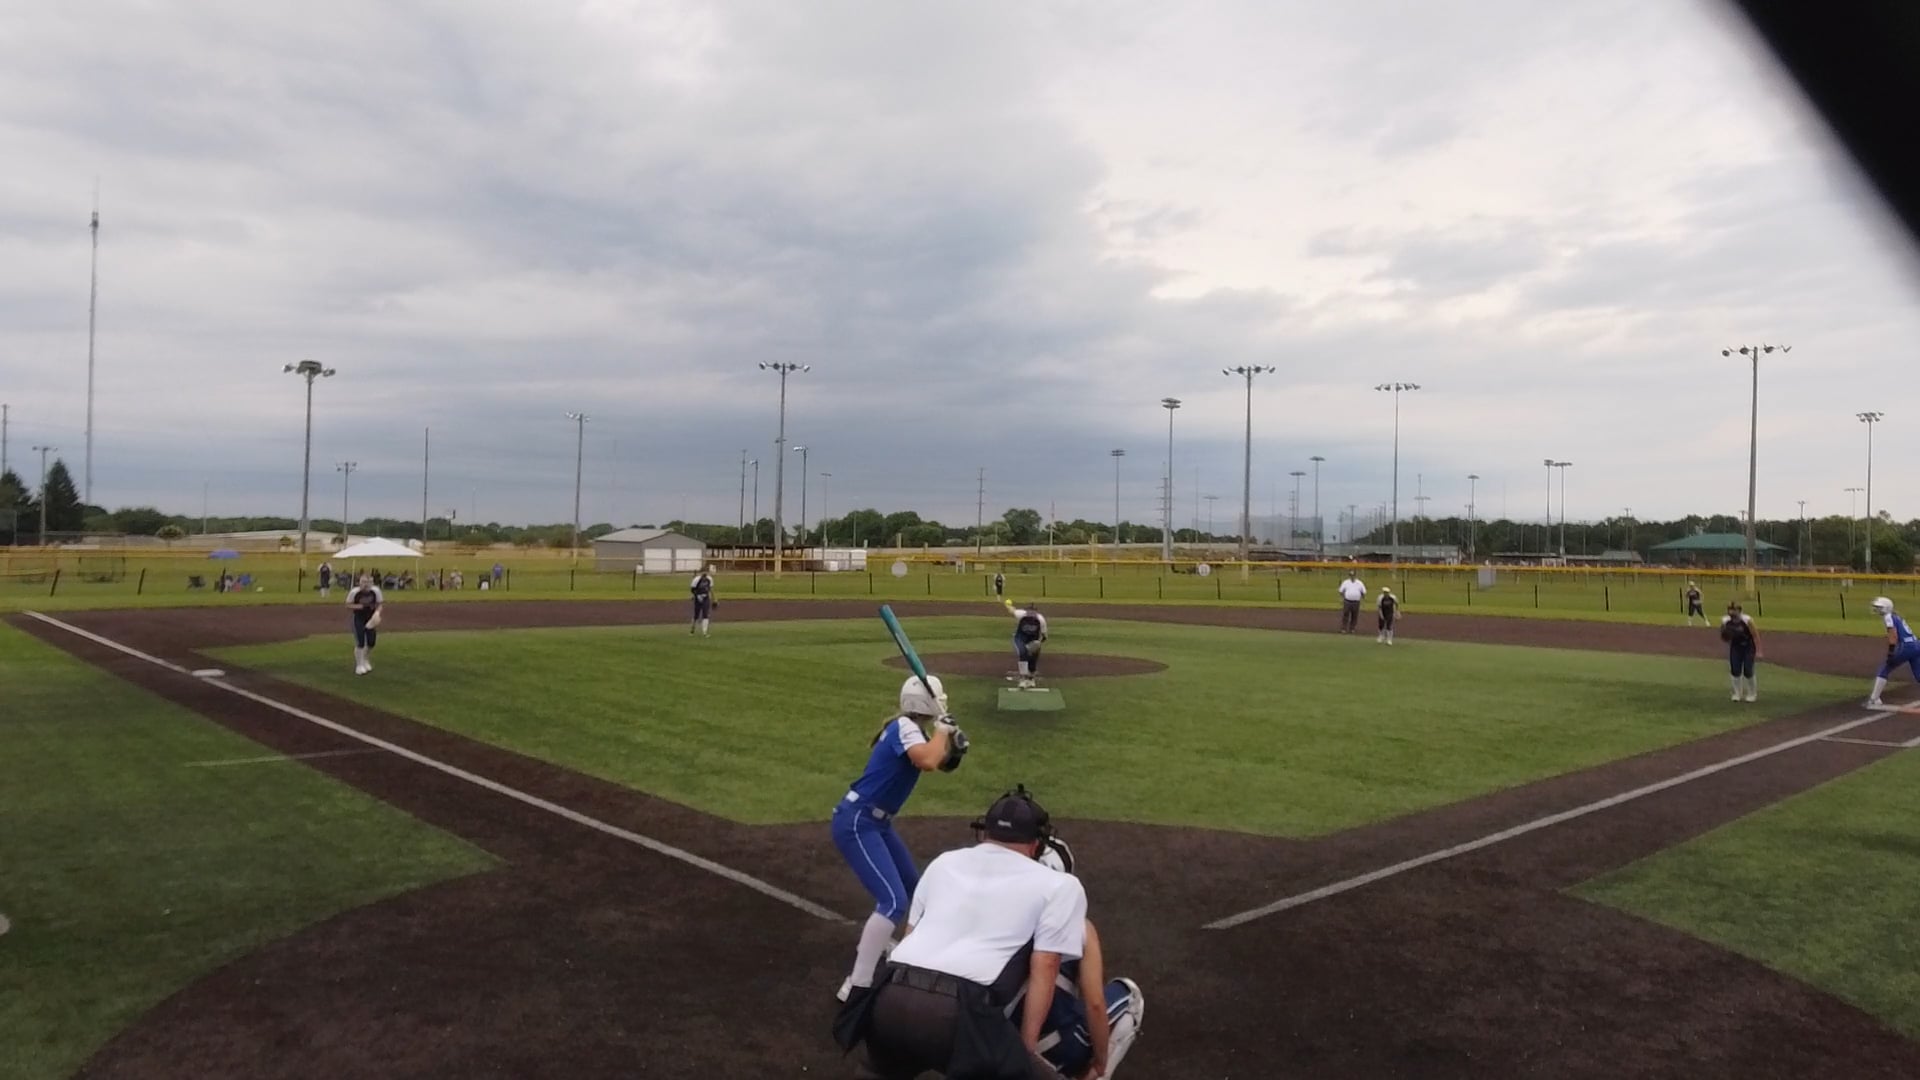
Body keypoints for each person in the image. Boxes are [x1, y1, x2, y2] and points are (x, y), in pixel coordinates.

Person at [834, 786, 1087, 1080]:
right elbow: (1046, 965)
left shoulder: (943, 862)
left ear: (985, 832)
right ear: (1036, 844)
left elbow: (910, 936)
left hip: (889, 997)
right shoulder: (1061, 886)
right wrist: (1024, 1053)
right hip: (959, 1017)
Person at [831, 675, 966, 1002]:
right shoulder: (904, 726)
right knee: (893, 901)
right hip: (858, 821)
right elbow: (928, 761)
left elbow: (942, 761)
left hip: (877, 823)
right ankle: (857, 983)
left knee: (914, 890)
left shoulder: (914, 731)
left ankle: (909, 954)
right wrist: (943, 732)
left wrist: (956, 746)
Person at [1006, 833, 1145, 1079]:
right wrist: (1100, 1062)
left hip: (988, 1050)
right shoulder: (1079, 927)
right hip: (1051, 1052)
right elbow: (1095, 1004)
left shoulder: (993, 917)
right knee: (1130, 997)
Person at [1866, 596, 1920, 707]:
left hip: (1906, 646)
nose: (1876, 609)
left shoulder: (1888, 617)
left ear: (1885, 608)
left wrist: (1891, 651)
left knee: (1885, 668)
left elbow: (1893, 636)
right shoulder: (1895, 616)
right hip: (1916, 645)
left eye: (1879, 607)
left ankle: (1874, 699)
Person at [1720, 600, 1762, 702]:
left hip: (1748, 646)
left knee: (1748, 670)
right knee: (1735, 670)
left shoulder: (1747, 620)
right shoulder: (1725, 621)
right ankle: (1737, 693)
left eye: (1733, 610)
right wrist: (1726, 637)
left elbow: (1755, 635)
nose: (1731, 612)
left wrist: (1758, 650)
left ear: (1739, 610)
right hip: (1735, 647)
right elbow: (1723, 635)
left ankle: (1752, 693)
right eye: (1729, 609)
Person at [347, 571, 384, 676]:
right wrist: (359, 607)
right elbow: (348, 605)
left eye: (368, 582)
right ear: (359, 582)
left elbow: (380, 604)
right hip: (358, 618)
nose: (366, 584)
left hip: (370, 618)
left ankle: (365, 659)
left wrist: (377, 613)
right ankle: (359, 665)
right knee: (360, 642)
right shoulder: (355, 592)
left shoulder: (376, 591)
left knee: (371, 642)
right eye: (363, 582)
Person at [1008, 601, 1049, 689]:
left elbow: (1044, 636)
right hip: (1020, 638)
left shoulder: (1041, 619)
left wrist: (1038, 643)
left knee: (1033, 658)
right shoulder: (1021, 614)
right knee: (1023, 653)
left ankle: (1031, 679)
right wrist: (1009, 606)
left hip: (1033, 639)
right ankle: (1023, 679)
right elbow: (1012, 611)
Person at [690, 566, 716, 636]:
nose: (704, 574)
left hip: (705, 598)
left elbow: (711, 589)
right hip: (698, 598)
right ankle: (692, 629)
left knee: (705, 614)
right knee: (696, 615)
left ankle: (705, 632)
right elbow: (692, 589)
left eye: (706, 572)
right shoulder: (696, 580)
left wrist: (714, 599)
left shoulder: (709, 579)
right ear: (701, 573)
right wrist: (696, 596)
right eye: (703, 572)